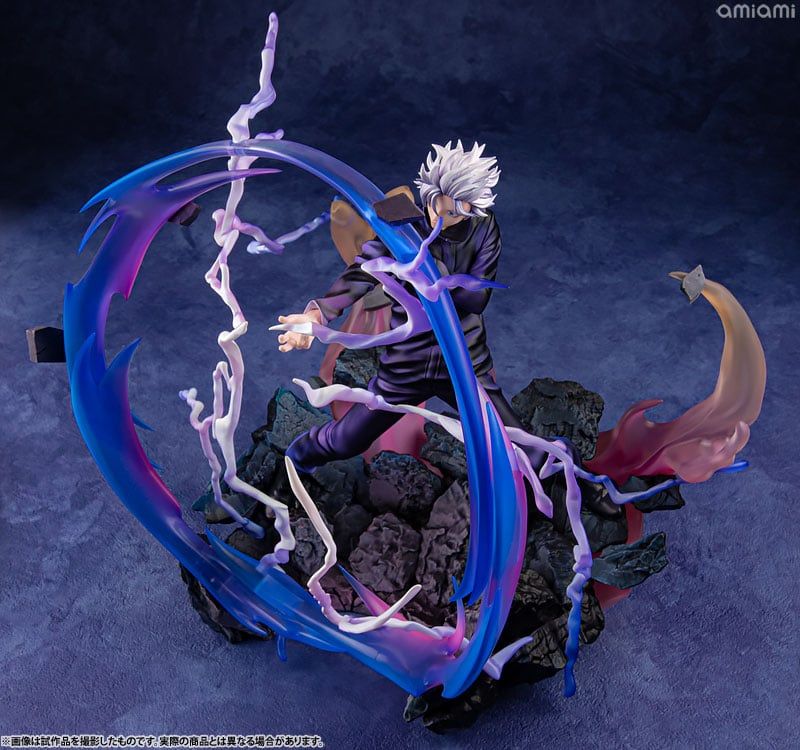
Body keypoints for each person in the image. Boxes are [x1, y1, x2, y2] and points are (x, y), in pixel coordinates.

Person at [276, 140, 621, 519]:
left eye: (467, 208)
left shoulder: (482, 229)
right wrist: (317, 315)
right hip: (407, 365)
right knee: (345, 439)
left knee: (522, 446)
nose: (459, 215)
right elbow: (361, 272)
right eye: (454, 205)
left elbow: (476, 298)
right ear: (434, 193)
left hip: (463, 363)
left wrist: (430, 274)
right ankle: (292, 463)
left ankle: (582, 483)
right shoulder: (399, 222)